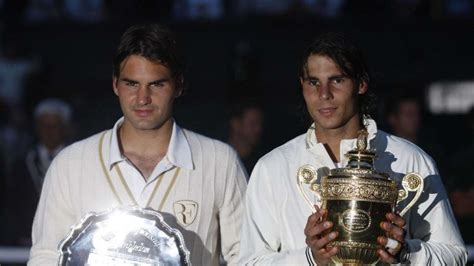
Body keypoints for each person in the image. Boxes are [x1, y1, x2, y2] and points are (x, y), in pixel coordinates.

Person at [239, 33, 467, 265]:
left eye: (337, 80)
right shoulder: (273, 167)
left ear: (361, 84)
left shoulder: (411, 160)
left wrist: (405, 252)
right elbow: (248, 262)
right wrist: (309, 259)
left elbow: (455, 256)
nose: (324, 94)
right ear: (302, 85)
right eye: (313, 82)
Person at [29, 24, 247, 265]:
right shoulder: (71, 164)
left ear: (178, 85)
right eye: (132, 84)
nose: (143, 98)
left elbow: (246, 256)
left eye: (156, 84)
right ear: (115, 84)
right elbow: (46, 256)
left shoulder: (219, 161)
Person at [6, 98, 72, 245]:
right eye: (44, 126)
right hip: (27, 241)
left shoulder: (78, 160)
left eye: (54, 126)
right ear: (37, 127)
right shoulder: (21, 164)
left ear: (65, 128)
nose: (48, 132)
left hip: (68, 239)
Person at [228, 100, 264, 176]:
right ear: (236, 124)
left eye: (260, 123)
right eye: (253, 124)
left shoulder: (261, 163)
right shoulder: (222, 159)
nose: (258, 129)